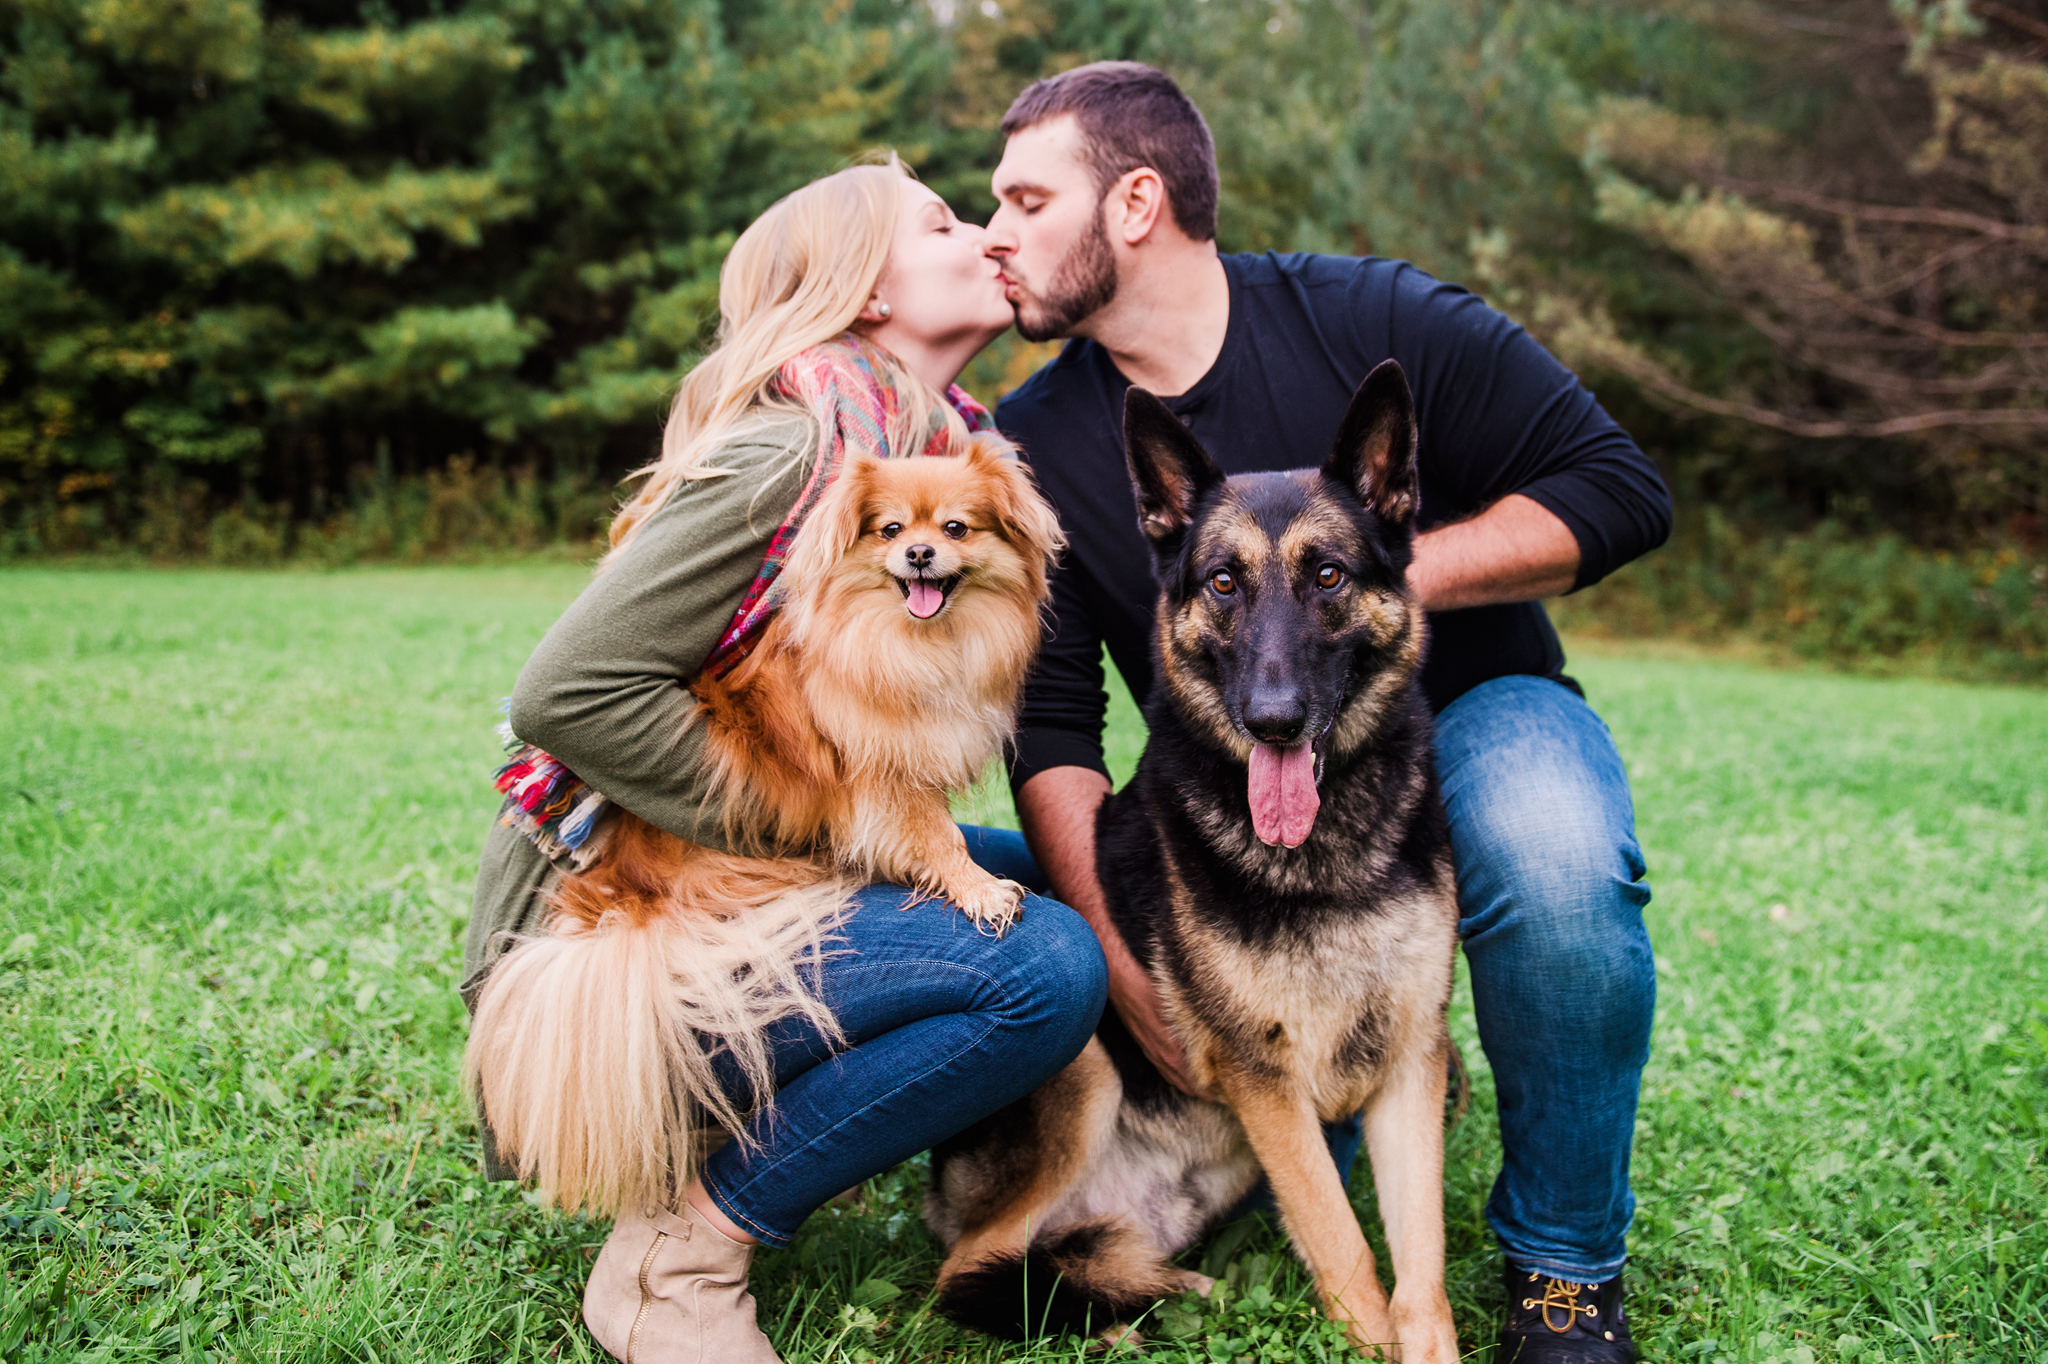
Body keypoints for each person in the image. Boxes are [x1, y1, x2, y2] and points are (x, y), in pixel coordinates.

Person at [981, 63, 1671, 1364]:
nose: (993, 235)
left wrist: (1371, 577)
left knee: (1560, 865)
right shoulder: (1038, 444)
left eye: (1025, 199)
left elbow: (1619, 487)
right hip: (1247, 763)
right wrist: (1122, 964)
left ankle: (1567, 1276)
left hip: (1474, 704)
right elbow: (1055, 729)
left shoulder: (1372, 314)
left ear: (1135, 203)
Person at [460, 158, 1108, 1364]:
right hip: (616, 944)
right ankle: (678, 1255)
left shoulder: (931, 449)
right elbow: (565, 690)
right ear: (867, 291)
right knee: (1042, 967)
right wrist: (814, 821)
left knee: (1076, 883)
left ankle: (1057, 1184)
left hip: (738, 888)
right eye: (941, 220)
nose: (980, 232)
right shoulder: (790, 451)